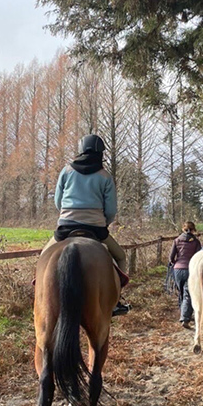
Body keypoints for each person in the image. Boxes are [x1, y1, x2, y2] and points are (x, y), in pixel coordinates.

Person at [45, 134, 129, 316]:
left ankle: (41, 294)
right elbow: (111, 209)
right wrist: (102, 223)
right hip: (95, 228)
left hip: (65, 228)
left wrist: (68, 214)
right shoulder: (105, 176)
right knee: (121, 256)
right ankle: (118, 300)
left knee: (44, 257)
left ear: (81, 150)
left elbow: (58, 201)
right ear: (101, 153)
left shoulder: (66, 171)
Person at [169, 221, 202, 329]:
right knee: (189, 294)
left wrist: (176, 264)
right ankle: (185, 317)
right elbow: (198, 257)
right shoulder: (196, 242)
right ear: (193, 230)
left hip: (177, 269)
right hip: (190, 269)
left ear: (183, 229)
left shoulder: (177, 240)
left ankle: (183, 313)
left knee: (181, 292)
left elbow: (171, 258)